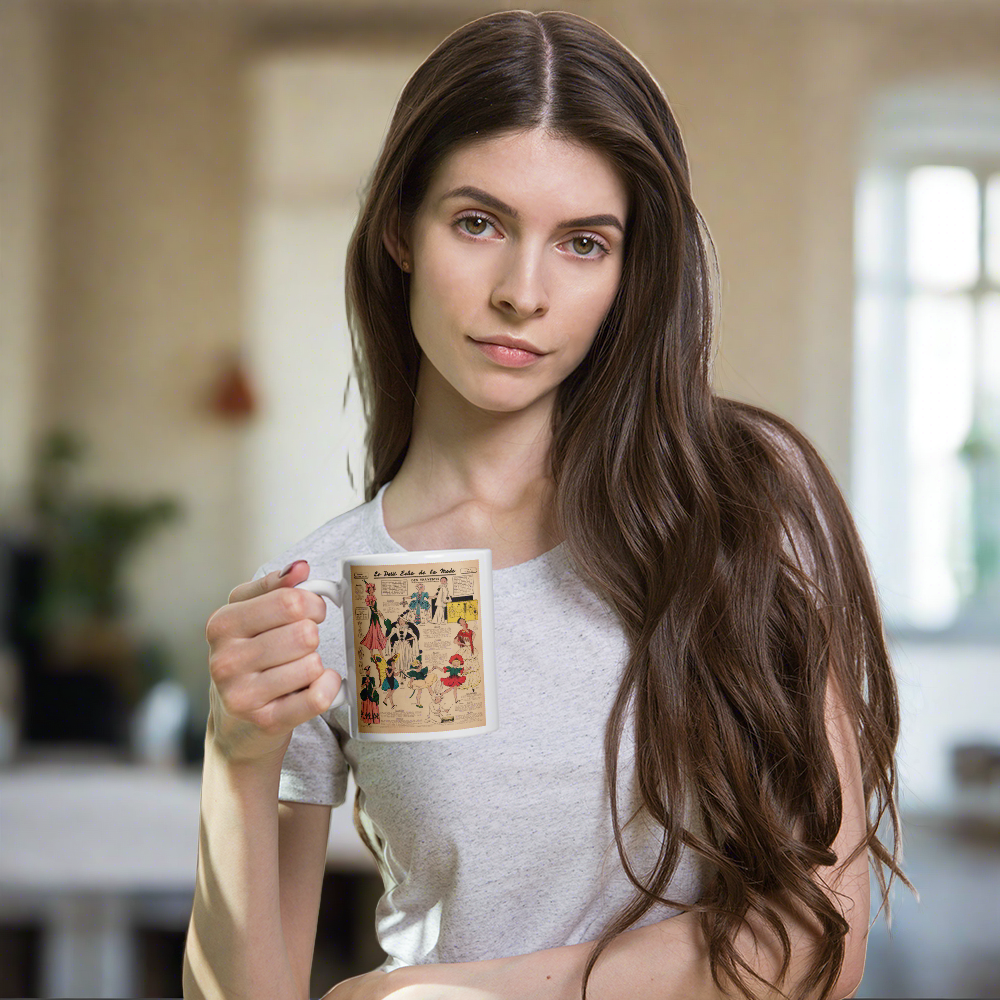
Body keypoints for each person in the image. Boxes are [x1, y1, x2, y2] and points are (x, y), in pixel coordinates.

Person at [183, 11, 914, 1000]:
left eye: (581, 242)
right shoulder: (347, 596)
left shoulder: (743, 497)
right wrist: (235, 758)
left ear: (629, 270)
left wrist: (443, 994)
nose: (522, 292)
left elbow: (817, 941)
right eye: (477, 222)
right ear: (400, 227)